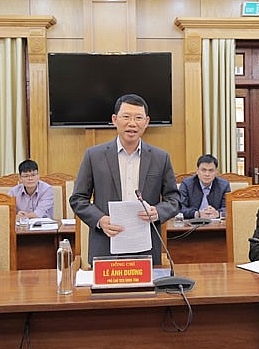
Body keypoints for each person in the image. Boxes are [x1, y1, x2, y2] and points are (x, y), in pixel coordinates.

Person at [69, 93, 180, 265]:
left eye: (138, 118)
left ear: (147, 122)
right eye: (126, 117)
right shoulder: (94, 156)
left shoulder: (160, 158)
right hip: (106, 246)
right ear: (115, 120)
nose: (132, 123)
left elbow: (174, 199)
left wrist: (158, 212)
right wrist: (100, 220)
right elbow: (78, 199)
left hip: (146, 249)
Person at [179, 154, 231, 219]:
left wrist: (217, 213)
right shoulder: (187, 184)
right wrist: (197, 214)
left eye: (211, 170)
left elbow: (229, 208)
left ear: (216, 172)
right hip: (192, 223)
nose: (207, 174)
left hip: (216, 223)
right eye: (203, 170)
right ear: (197, 171)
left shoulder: (224, 185)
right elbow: (179, 208)